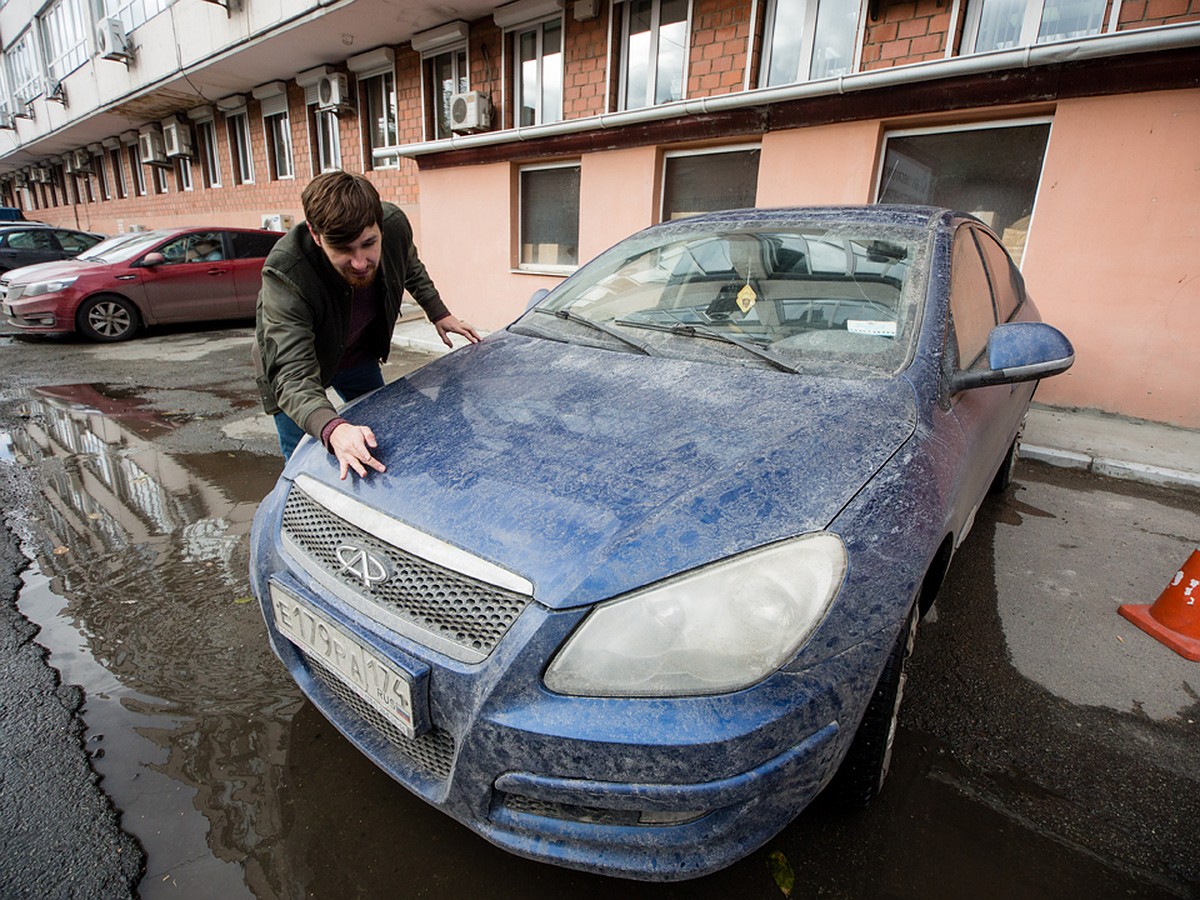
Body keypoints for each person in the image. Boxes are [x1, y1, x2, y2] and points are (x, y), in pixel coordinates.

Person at [254, 171, 479, 479]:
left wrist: (438, 311)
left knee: (383, 436)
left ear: (380, 227)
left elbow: (408, 263)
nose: (360, 262)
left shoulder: (395, 225)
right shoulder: (286, 272)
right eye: (343, 249)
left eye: (368, 244)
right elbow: (292, 375)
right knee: (301, 460)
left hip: (357, 356)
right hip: (297, 369)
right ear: (315, 235)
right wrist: (333, 428)